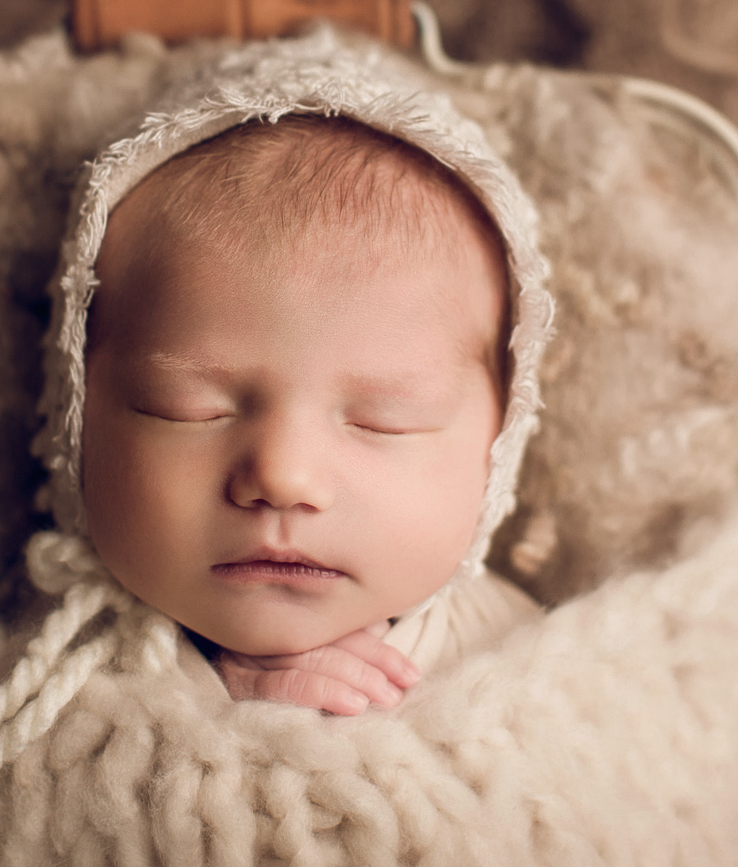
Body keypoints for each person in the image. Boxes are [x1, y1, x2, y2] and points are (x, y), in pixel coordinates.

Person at [78, 114, 544, 716]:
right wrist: (218, 703)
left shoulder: (528, 660)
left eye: (385, 420)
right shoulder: (44, 661)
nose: (283, 477)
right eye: (188, 409)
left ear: (500, 443)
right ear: (77, 410)